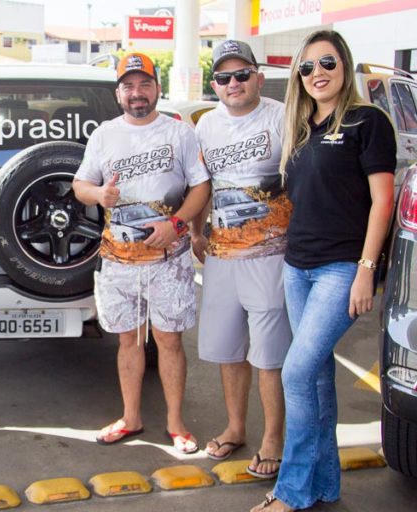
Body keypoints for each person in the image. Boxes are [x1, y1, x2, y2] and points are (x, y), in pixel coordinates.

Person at [251, 30, 396, 511]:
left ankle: (290, 492)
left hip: (341, 269)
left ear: (345, 66)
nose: (318, 74)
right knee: (315, 378)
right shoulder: (301, 126)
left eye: (328, 63)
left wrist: (365, 270)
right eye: (307, 67)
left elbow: (382, 202)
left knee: (295, 372)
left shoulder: (366, 121)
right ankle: (325, 485)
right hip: (298, 267)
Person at [73, 52, 210, 454]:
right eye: (129, 86)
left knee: (168, 341)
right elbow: (81, 185)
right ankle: (131, 418)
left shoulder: (180, 133)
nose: (137, 93)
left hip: (169, 260)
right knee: (128, 341)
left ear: (157, 88)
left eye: (144, 84)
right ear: (119, 94)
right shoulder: (104, 135)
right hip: (118, 261)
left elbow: (201, 187)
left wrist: (177, 225)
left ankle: (176, 423)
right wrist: (99, 193)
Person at [191, 40, 291, 479]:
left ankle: (274, 437)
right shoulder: (206, 126)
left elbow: (302, 177)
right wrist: (196, 231)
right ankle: (235, 427)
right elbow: (201, 183)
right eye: (223, 77)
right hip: (222, 255)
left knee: (269, 353)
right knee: (229, 349)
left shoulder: (282, 117)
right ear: (214, 84)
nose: (233, 84)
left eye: (241, 74)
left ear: (258, 76)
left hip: (272, 253)